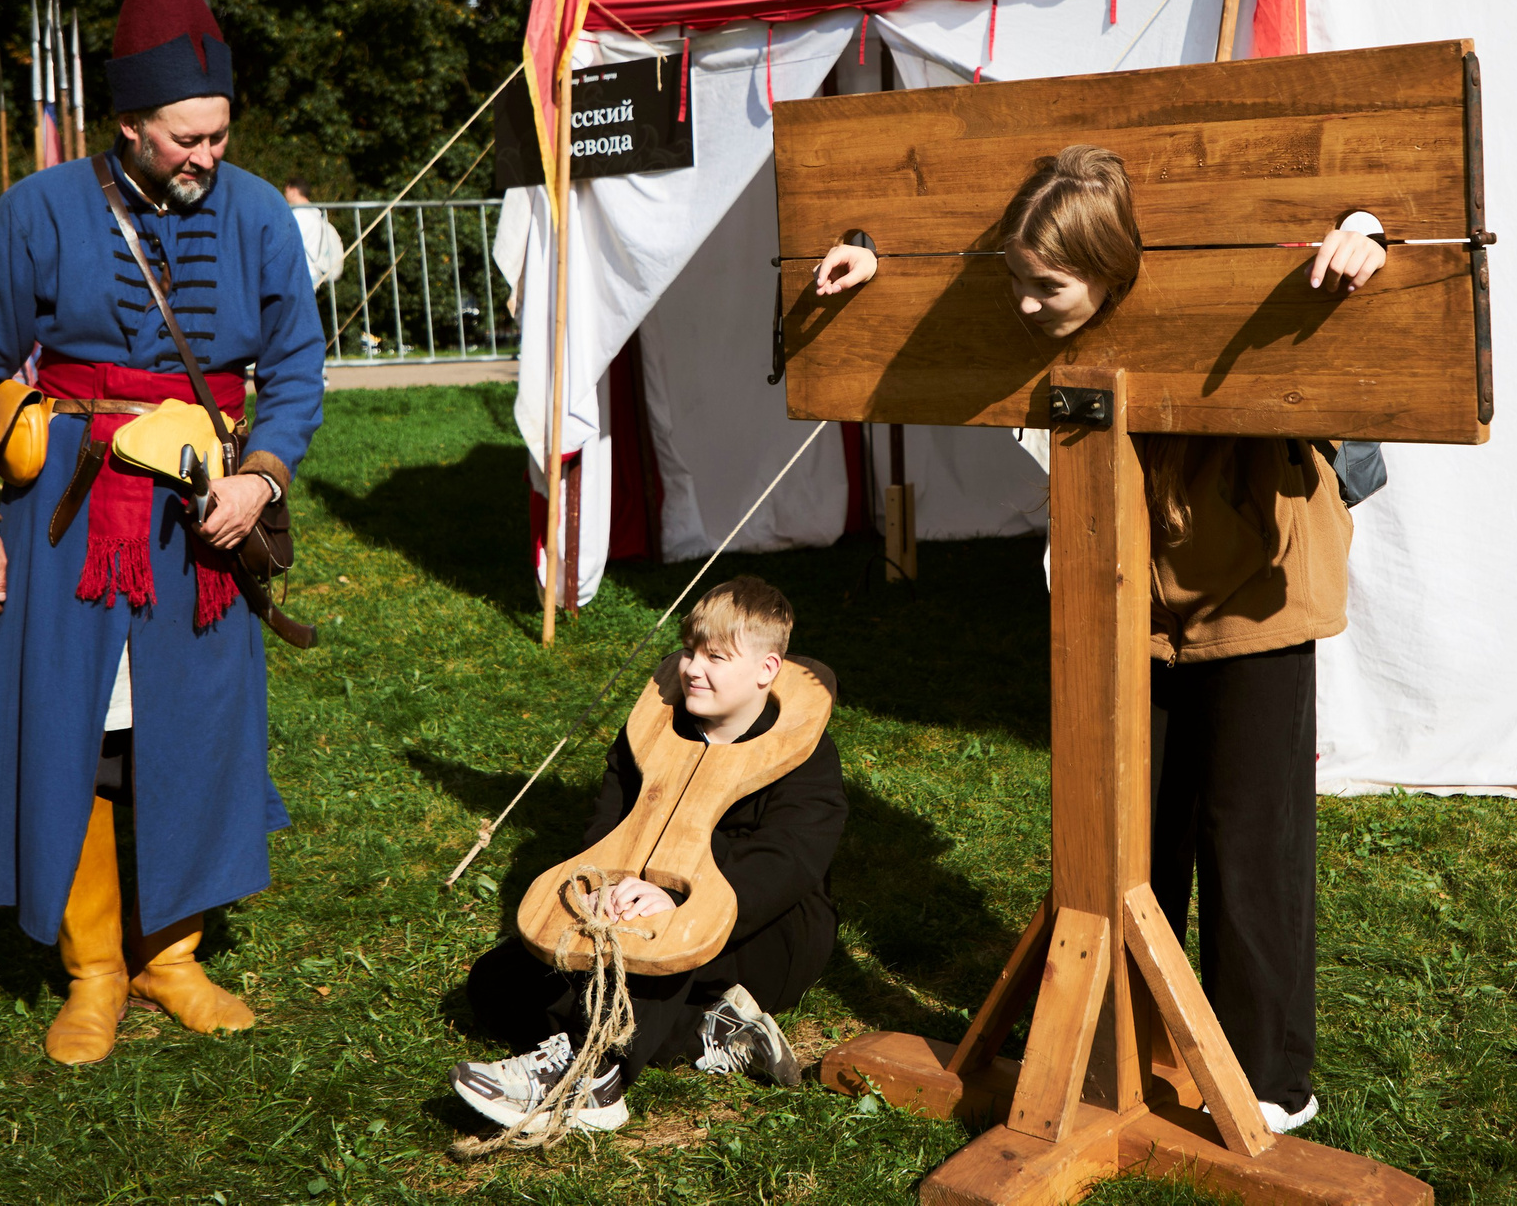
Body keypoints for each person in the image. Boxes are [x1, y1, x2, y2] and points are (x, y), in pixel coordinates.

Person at [808, 144, 1384, 1136]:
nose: (1026, 304)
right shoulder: (1038, 313)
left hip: (1259, 581)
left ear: (1113, 269)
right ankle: (1128, 1032)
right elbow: (946, 270)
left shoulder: (1207, 285)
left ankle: (1268, 1072)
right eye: (1015, 282)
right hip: (1123, 577)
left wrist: (1367, 233)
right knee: (1128, 823)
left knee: (1248, 832)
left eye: (1048, 285)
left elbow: (1373, 229)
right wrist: (872, 254)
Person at [0, 0, 327, 1066]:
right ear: (129, 123)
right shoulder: (41, 208)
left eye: (219, 132)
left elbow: (296, 370)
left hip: (204, 514)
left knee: (191, 729)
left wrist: (262, 476)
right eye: (185, 137)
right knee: (78, 727)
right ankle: (94, 969)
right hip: (63, 511)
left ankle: (174, 959)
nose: (208, 155)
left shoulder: (255, 214)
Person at [451, 577, 846, 1133]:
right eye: (689, 650)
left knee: (652, 950)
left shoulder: (802, 750)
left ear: (766, 670)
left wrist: (676, 895)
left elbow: (788, 860)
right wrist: (607, 883)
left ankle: (593, 1078)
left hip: (766, 931)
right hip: (632, 895)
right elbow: (608, 821)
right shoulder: (655, 730)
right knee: (498, 982)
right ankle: (711, 1030)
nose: (693, 668)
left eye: (716, 657)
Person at [284, 178, 345, 291]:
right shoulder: (316, 213)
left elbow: (286, 245)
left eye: (286, 192)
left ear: (293, 191)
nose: (285, 195)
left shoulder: (298, 215)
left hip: (302, 274)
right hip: (314, 272)